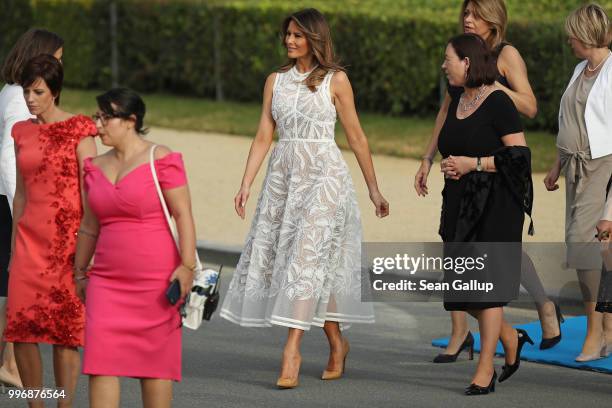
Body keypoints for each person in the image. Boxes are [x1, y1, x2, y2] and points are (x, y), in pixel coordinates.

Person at [220, 8, 389, 389]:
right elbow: (265, 133)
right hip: (284, 179)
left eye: (297, 35)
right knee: (313, 268)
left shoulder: (336, 80)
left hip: (325, 180)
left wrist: (373, 188)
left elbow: (357, 136)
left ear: (315, 37)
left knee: (307, 260)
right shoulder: (275, 81)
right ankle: (336, 343)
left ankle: (291, 350)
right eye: (287, 35)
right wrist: (246, 181)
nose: (290, 41)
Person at [415, 0, 562, 361]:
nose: (467, 19)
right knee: (455, 245)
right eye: (465, 13)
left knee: (499, 251)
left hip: (495, 163)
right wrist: (427, 156)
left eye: (475, 14)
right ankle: (461, 333)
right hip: (461, 165)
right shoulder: (460, 56)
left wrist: (489, 83)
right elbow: (447, 111)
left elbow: (529, 106)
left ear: (492, 19)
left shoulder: (504, 55)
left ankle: (543, 307)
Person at [73, 88, 196, 407]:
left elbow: (183, 214)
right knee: (100, 366)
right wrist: (78, 272)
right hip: (106, 282)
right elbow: (89, 225)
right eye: (96, 116)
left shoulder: (162, 158)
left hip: (156, 283)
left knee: (154, 369)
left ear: (130, 121)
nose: (97, 125)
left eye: (104, 117)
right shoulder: (94, 166)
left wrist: (187, 266)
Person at [438, 33, 534, 394]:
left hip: (495, 205)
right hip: (460, 203)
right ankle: (510, 337)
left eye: (448, 58)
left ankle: (485, 370)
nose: (444, 64)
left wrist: (473, 163)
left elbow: (521, 158)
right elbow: (451, 143)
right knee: (461, 290)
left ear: (466, 62)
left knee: (485, 291)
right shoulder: (458, 97)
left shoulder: (498, 103)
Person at [3, 54, 97, 407]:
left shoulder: (80, 129)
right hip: (28, 243)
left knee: (65, 333)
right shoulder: (21, 132)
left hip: (68, 244)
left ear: (54, 91)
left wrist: (88, 252)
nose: (30, 98)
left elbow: (92, 194)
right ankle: (37, 403)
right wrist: (13, 251)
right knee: (22, 330)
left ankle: (64, 404)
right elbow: (22, 196)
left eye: (37, 91)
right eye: (27, 90)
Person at [544, 3, 612, 362]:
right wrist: (557, 165)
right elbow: (570, 120)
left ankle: (595, 331)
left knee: (581, 246)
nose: (568, 39)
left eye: (572, 32)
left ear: (587, 34)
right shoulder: (579, 69)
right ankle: (607, 325)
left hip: (600, 167)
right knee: (599, 251)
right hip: (573, 167)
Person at [0, 28, 64, 390]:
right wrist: (21, 211)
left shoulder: (11, 92)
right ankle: (11, 363)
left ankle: (7, 361)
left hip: (9, 201)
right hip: (11, 203)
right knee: (19, 284)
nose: (60, 65)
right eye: (57, 57)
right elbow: (11, 159)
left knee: (11, 286)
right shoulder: (17, 98)